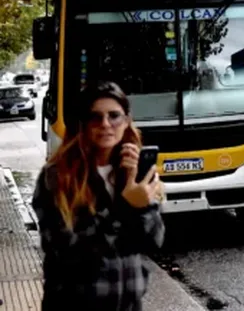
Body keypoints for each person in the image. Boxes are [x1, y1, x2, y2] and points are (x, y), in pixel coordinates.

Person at [32, 81, 165, 311]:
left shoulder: (133, 171)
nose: (105, 124)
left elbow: (154, 239)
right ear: (82, 124)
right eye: (95, 117)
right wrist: (124, 207)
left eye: (114, 116)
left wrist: (142, 207)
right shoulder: (56, 177)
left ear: (126, 121)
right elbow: (68, 252)